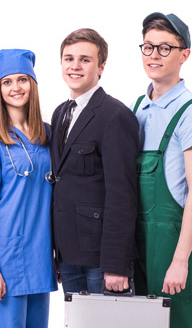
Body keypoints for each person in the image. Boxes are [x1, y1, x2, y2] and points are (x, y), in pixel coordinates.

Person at [130, 12, 192, 328]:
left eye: (165, 48)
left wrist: (180, 261)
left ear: (185, 55)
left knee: (178, 327)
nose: (154, 55)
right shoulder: (139, 106)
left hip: (174, 244)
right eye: (148, 47)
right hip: (138, 241)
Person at [0, 49, 57, 328]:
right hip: (5, 264)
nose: (16, 88)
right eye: (7, 82)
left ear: (33, 84)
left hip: (40, 259)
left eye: (22, 79)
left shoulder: (48, 134)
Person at [50, 28, 139, 295]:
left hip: (101, 259)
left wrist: (116, 264)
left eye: (85, 60)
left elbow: (122, 195)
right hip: (68, 252)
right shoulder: (60, 113)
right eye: (69, 59)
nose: (75, 66)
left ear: (101, 67)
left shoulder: (115, 116)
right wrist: (56, 253)